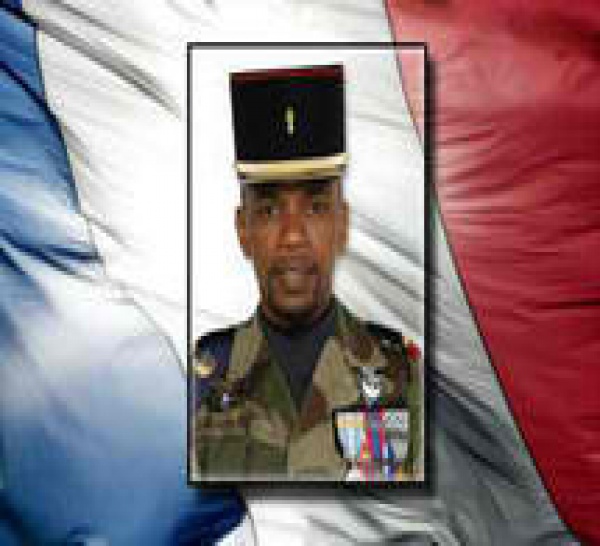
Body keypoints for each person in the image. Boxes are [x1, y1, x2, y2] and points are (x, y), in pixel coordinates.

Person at [190, 64, 422, 481]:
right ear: (243, 231)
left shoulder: (403, 376)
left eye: (315, 207)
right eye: (269, 210)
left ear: (342, 225)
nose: (293, 236)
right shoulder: (198, 383)